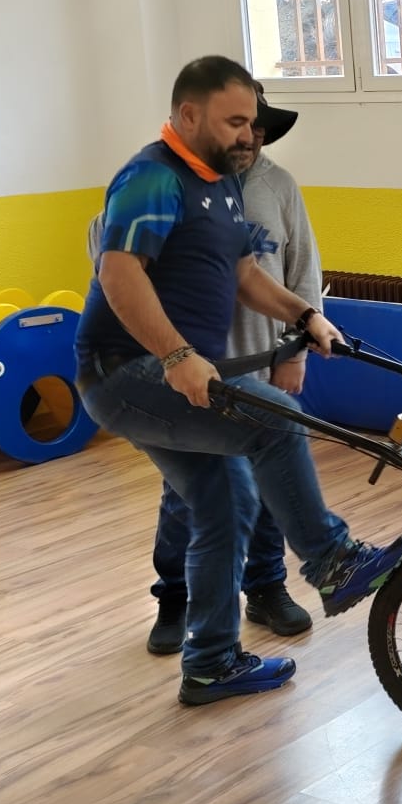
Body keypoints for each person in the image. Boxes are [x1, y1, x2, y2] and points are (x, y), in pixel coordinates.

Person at [76, 55, 402, 706]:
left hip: (158, 374)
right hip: (124, 371)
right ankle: (332, 560)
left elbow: (245, 276)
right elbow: (118, 273)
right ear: (188, 115)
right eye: (234, 122)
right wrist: (177, 355)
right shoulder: (152, 178)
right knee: (276, 423)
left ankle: (210, 663)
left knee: (224, 502)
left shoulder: (221, 183)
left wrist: (305, 316)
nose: (247, 135)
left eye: (252, 123)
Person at [132, 82, 323, 654]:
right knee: (187, 489)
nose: (250, 137)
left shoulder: (278, 188)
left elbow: (303, 272)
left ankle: (265, 586)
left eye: (258, 127)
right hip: (192, 373)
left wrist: (295, 352)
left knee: (266, 484)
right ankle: (176, 597)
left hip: (263, 366)